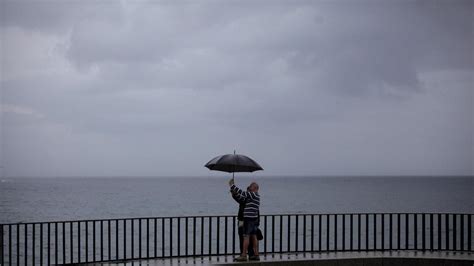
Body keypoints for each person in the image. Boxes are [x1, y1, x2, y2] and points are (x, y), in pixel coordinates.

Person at [229, 179, 260, 261]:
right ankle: (256, 254)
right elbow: (242, 198)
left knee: (246, 237)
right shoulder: (254, 196)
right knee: (253, 236)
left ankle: (243, 255)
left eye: (251, 187)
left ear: (255, 188)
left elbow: (243, 193)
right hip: (253, 220)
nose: (250, 188)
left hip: (248, 220)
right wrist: (234, 193)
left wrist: (232, 185)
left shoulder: (253, 195)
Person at [231, 186, 255, 258]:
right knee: (246, 237)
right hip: (246, 220)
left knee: (244, 237)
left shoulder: (248, 200)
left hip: (244, 220)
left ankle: (245, 254)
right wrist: (234, 193)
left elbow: (239, 198)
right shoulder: (250, 199)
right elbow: (238, 198)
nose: (248, 193)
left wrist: (234, 191)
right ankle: (249, 254)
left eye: (248, 191)